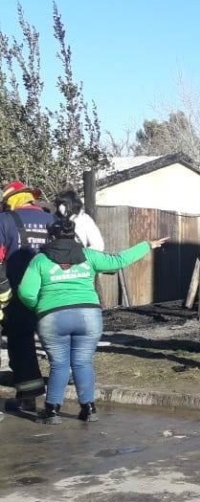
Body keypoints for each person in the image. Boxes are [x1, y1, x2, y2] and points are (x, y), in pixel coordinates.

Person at [17, 204, 168, 424]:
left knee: (59, 365)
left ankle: (51, 412)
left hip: (53, 317)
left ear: (50, 237)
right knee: (82, 362)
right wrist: (147, 245)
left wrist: (40, 308)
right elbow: (119, 261)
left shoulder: (40, 260)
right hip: (88, 317)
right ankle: (88, 409)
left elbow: (25, 292)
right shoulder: (88, 255)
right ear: (75, 236)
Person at [0, 181, 55, 412]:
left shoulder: (4, 221)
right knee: (56, 343)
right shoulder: (52, 220)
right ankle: (58, 399)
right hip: (52, 292)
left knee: (21, 342)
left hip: (17, 293)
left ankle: (29, 397)